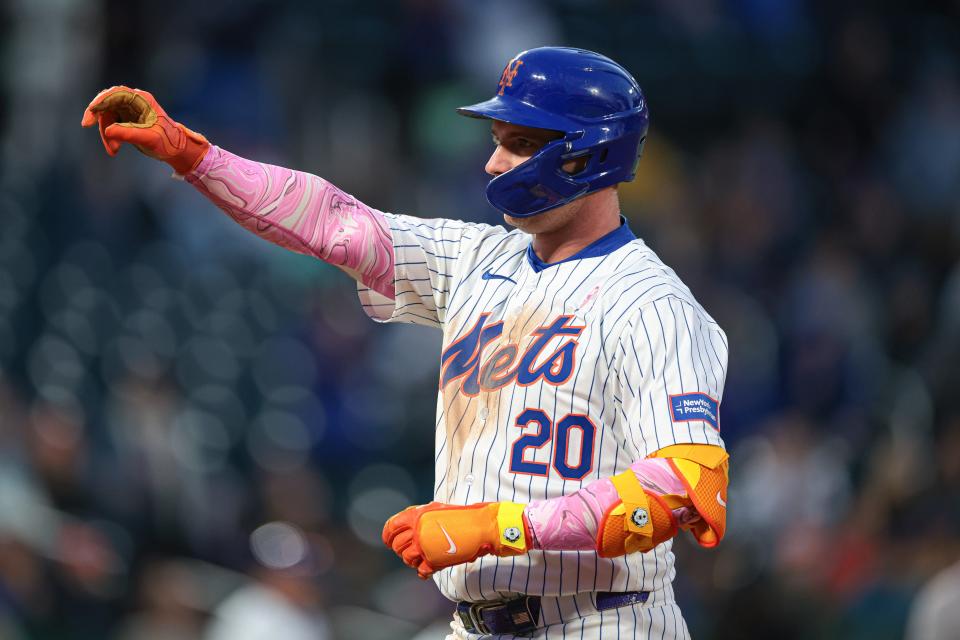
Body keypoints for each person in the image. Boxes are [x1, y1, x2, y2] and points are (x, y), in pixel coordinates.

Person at [83, 46, 730, 639]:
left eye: (519, 143)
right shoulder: (477, 260)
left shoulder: (651, 303)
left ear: (588, 154)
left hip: (601, 623)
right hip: (477, 623)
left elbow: (686, 484)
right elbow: (333, 222)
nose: (494, 162)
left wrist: (498, 528)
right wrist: (193, 157)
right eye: (498, 140)